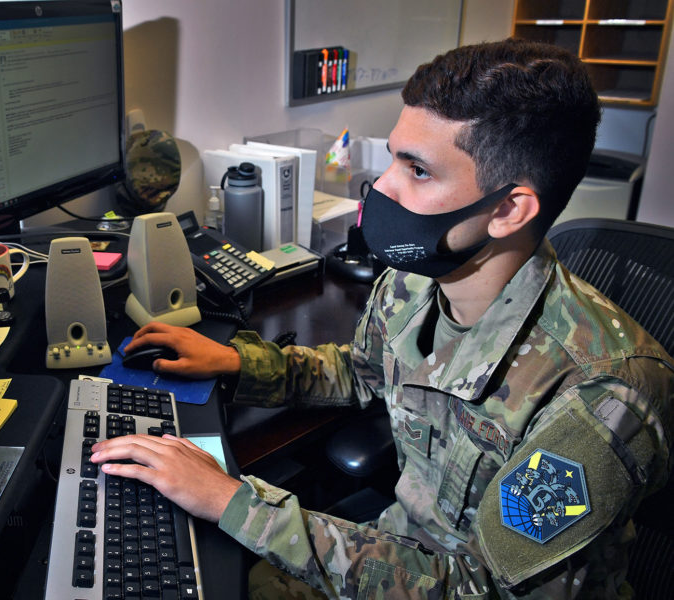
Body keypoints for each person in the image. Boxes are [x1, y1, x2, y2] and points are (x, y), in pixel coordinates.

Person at [91, 38, 674, 598]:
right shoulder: (413, 281)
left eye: (417, 170)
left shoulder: (601, 393)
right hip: (394, 553)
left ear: (507, 209)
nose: (383, 188)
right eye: (392, 157)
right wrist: (238, 362)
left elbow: (483, 591)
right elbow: (365, 372)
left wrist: (231, 501)